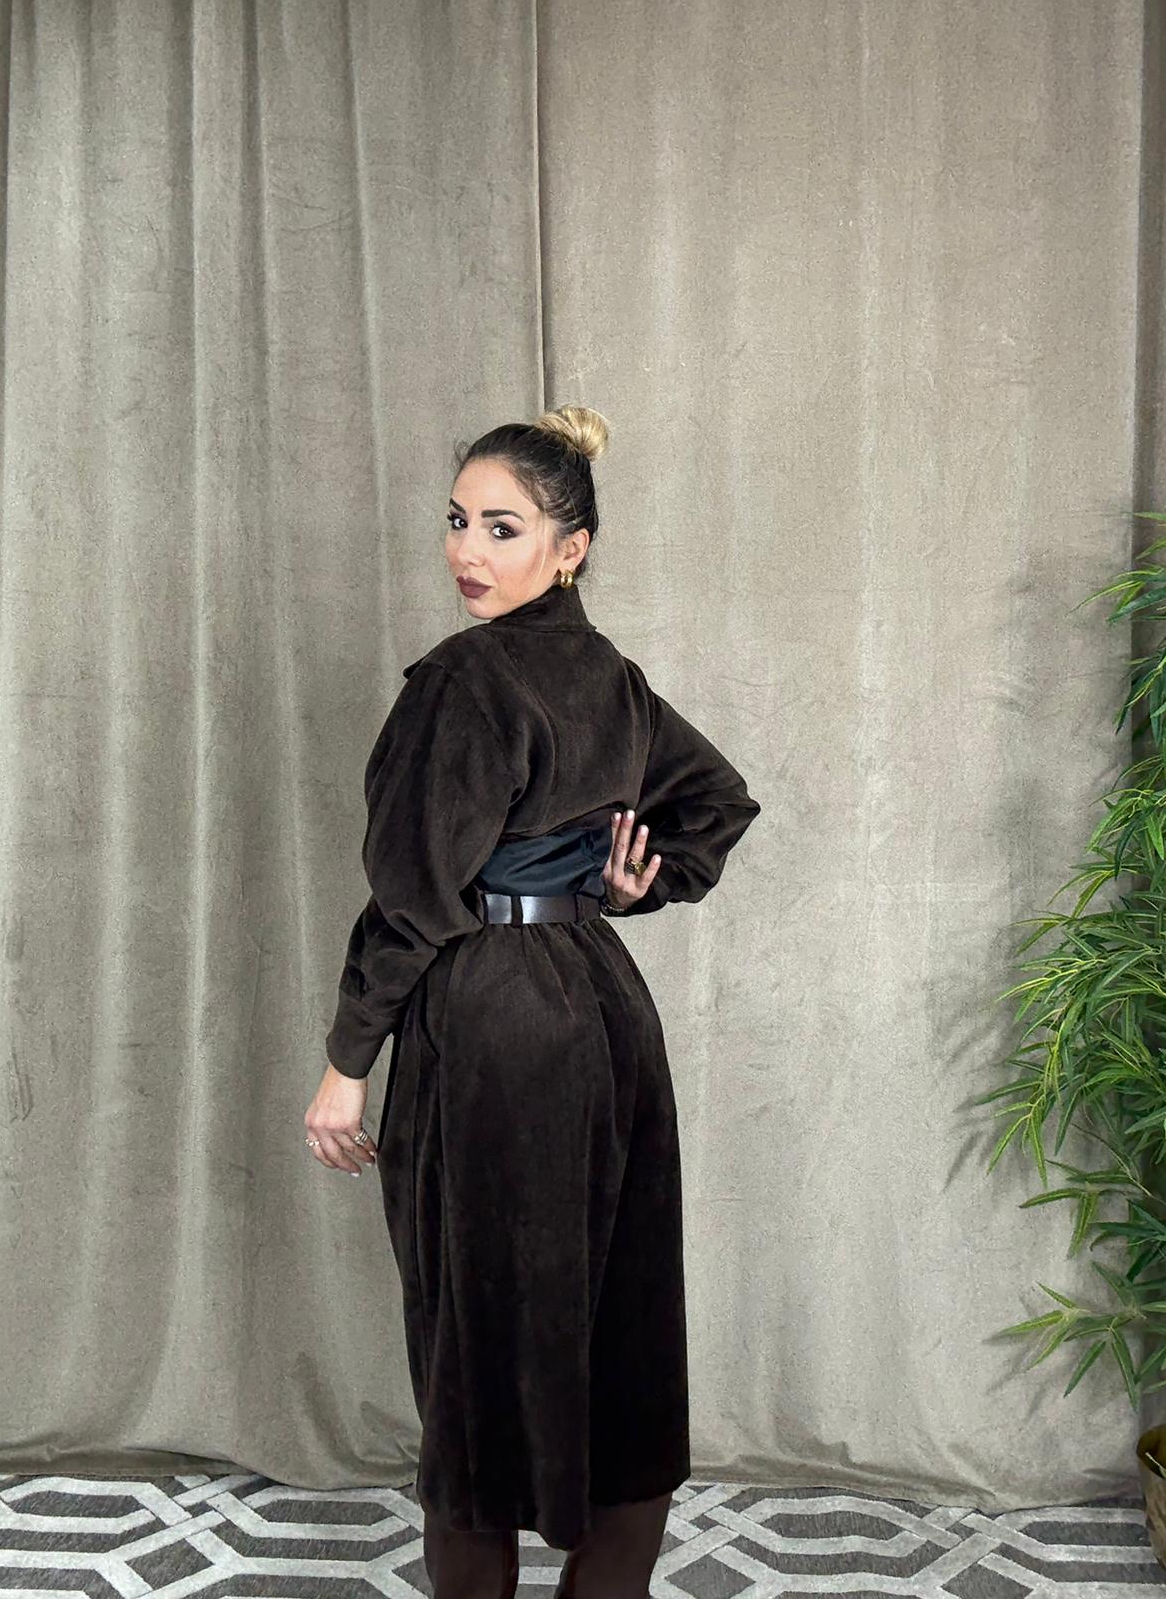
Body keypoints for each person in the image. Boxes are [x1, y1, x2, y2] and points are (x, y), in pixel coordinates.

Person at [304, 404, 761, 1598]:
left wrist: (347, 1063)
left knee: (477, 1330)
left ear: (573, 547)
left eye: (502, 527)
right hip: (606, 1011)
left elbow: (412, 897)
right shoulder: (612, 679)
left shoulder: (461, 681)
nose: (468, 549)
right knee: (619, 1309)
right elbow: (716, 803)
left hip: (492, 1017)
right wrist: (627, 881)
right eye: (458, 520)